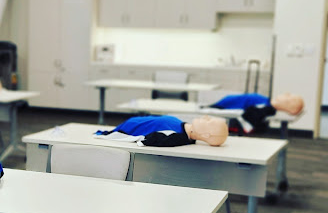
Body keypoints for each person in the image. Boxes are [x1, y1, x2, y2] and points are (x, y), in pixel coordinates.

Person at [95, 114, 228, 147]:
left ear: (206, 135)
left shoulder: (176, 136)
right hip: (135, 122)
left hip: (131, 127)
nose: (206, 117)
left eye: (209, 121)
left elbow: (147, 140)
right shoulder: (183, 129)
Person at [207, 92, 304, 134]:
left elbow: (247, 120)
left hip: (226, 105)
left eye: (288, 96)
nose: (286, 94)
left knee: (209, 109)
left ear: (286, 104)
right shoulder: (265, 104)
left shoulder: (265, 107)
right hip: (228, 103)